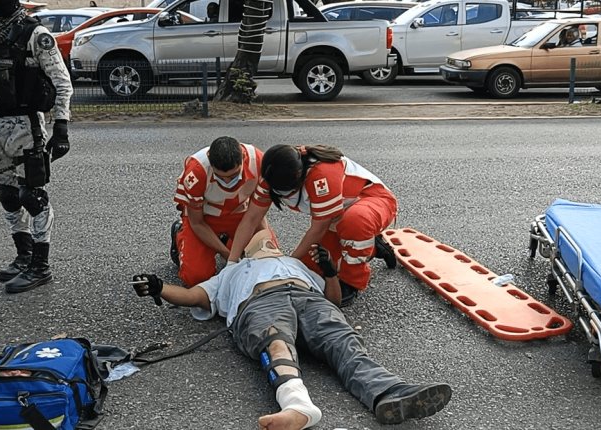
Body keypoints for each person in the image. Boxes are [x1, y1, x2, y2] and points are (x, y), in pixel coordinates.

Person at [132, 230, 452, 429]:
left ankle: (388, 392)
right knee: (275, 341)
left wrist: (328, 274)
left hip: (308, 297)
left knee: (342, 340)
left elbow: (334, 301)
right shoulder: (231, 273)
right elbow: (191, 296)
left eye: (270, 239)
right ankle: (297, 405)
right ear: (241, 251)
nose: (267, 240)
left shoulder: (296, 264)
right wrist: (161, 288)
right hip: (260, 303)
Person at [0, 0, 73, 293]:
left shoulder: (35, 34)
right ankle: (24, 254)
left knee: (32, 196)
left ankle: (40, 266)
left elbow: (61, 81)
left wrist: (61, 126)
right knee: (7, 194)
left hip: (24, 124)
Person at [227, 144, 398, 306]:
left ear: (299, 176)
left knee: (354, 221)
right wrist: (231, 263)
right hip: (336, 219)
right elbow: (251, 219)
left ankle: (352, 281)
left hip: (372, 201)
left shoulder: (322, 176)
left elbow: (318, 229)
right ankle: (373, 246)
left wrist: (289, 263)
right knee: (313, 269)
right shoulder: (272, 175)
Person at [171, 136, 272, 287]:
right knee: (196, 278)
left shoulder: (259, 162)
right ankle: (180, 234)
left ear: (243, 158)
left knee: (266, 264)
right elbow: (197, 223)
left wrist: (267, 247)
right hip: (206, 219)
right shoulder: (196, 171)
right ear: (210, 161)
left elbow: (255, 215)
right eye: (220, 176)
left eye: (233, 176)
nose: (227, 182)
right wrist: (228, 255)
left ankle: (226, 241)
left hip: (242, 217)